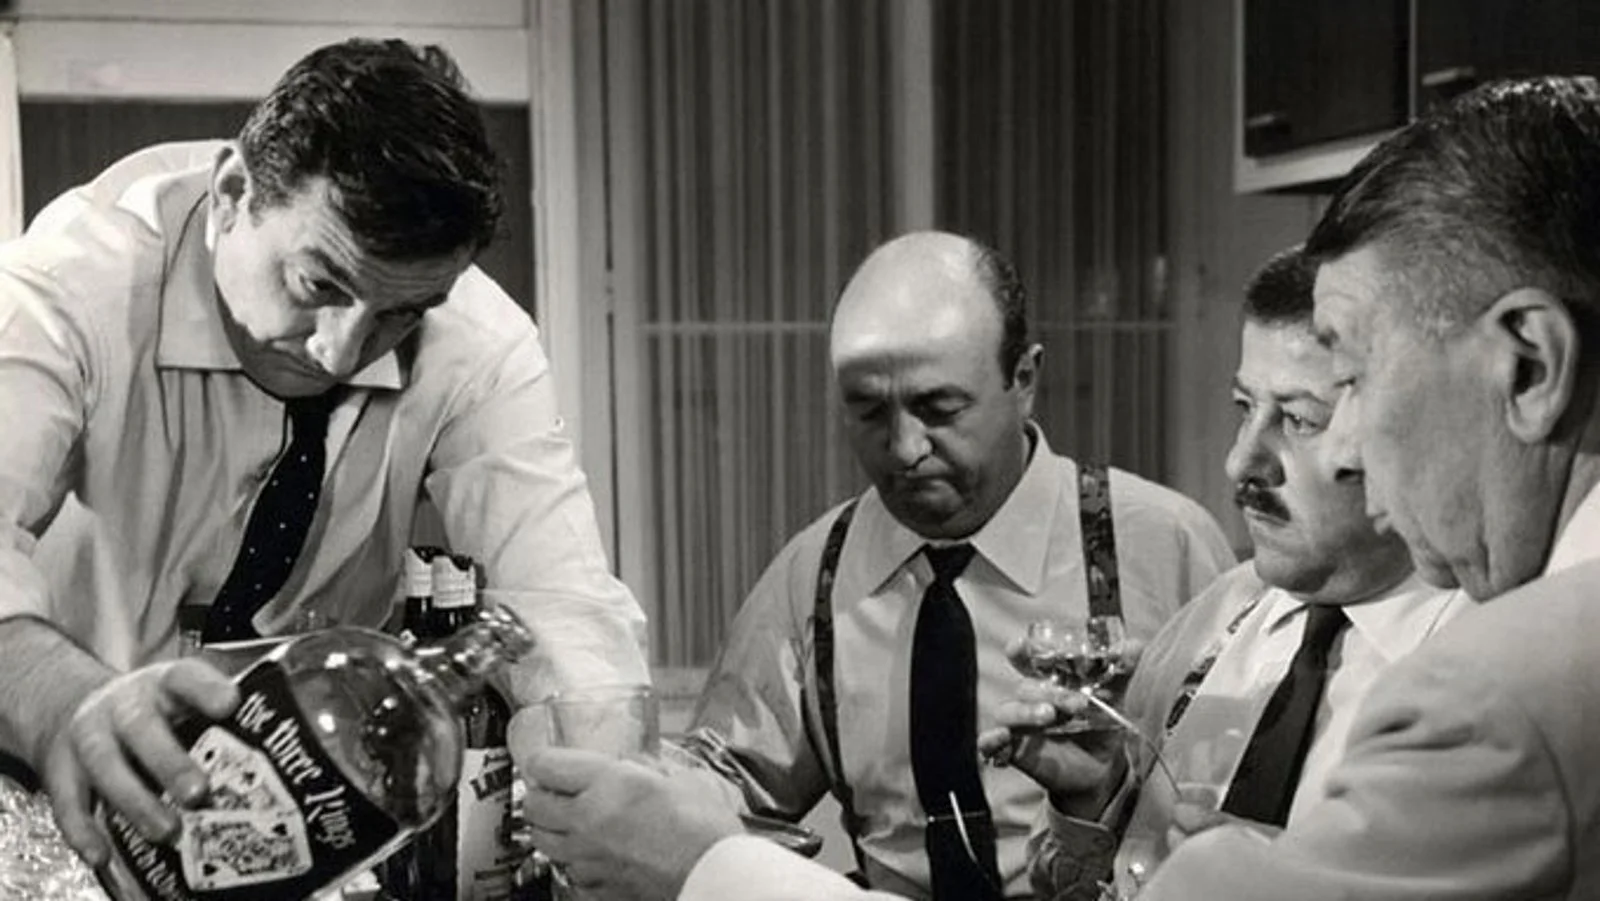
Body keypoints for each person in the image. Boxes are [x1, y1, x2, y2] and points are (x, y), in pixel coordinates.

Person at [0, 38, 647, 870]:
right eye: (319, 285)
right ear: (233, 194)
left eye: (400, 315)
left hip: (298, 807)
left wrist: (616, 803)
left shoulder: (476, 338)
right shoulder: (71, 283)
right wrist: (58, 697)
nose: (340, 351)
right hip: (38, 784)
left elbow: (562, 604)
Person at [526, 230, 1235, 899]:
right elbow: (730, 781)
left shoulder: (1161, 547)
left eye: (939, 408)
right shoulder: (815, 573)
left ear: (1024, 378)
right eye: (869, 411)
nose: (903, 448)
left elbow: (1237, 815)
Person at [1135, 75, 1600, 899]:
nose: (1347, 447)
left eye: (1351, 377)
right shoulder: (1217, 619)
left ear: (1529, 366)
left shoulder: (1488, 700)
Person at [973, 245, 1470, 900]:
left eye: (1298, 420)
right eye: (1243, 407)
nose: (1241, 462)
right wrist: (1095, 799)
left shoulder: (1481, 672)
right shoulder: (1214, 619)